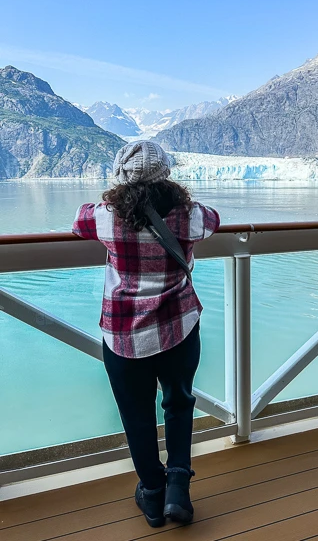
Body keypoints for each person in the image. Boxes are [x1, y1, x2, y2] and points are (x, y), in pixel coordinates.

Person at [72, 141, 220, 528]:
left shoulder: (106, 217)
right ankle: (179, 492)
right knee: (179, 403)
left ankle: (152, 496)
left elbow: (78, 220)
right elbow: (214, 220)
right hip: (179, 327)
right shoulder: (188, 215)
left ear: (121, 178)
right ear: (166, 175)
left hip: (123, 335)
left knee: (137, 416)